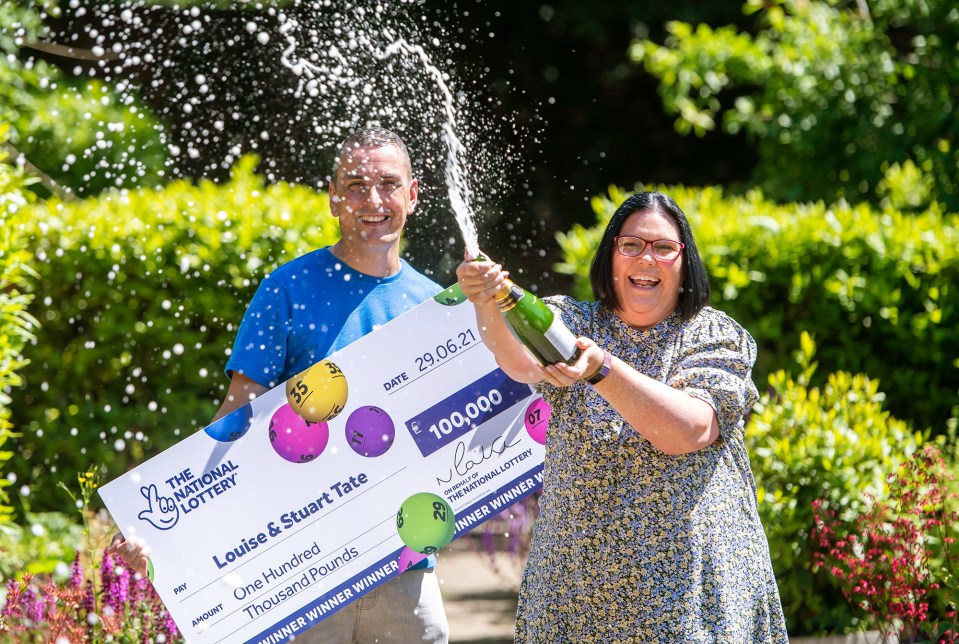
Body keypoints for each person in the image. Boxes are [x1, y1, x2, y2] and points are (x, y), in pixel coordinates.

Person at [110, 126, 450, 643]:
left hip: (406, 568)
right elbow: (236, 419)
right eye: (355, 185)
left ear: (413, 194)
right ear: (333, 199)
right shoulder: (286, 289)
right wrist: (162, 526)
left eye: (387, 183)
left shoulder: (435, 305)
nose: (373, 199)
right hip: (305, 575)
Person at [456, 191, 788, 642]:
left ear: (683, 262)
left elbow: (689, 429)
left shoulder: (713, 334)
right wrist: (483, 300)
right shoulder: (570, 322)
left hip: (693, 599)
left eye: (663, 247)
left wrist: (602, 370)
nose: (646, 258)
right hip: (576, 598)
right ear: (611, 258)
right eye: (631, 245)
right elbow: (518, 360)